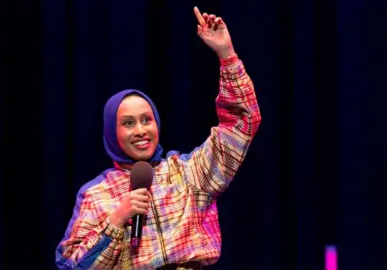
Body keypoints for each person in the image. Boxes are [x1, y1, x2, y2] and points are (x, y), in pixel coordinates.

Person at [55, 6, 261, 270]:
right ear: (112, 132)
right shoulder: (96, 195)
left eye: (146, 120)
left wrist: (226, 54)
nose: (140, 130)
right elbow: (71, 265)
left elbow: (242, 123)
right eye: (128, 123)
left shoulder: (189, 174)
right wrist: (117, 219)